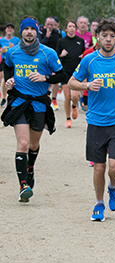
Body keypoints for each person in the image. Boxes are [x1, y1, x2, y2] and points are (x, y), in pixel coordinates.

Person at [68, 18, 115, 221]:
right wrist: (87, 86)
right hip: (96, 122)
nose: (108, 40)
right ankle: (99, 204)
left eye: (112, 36)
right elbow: (72, 82)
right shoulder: (89, 60)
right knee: (99, 167)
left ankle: (113, 187)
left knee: (114, 167)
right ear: (97, 37)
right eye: (104, 36)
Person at [1, 17, 65, 202]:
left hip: (39, 103)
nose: (29, 31)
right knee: (22, 143)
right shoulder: (13, 52)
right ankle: (23, 186)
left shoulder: (48, 53)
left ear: (37, 31)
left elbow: (62, 74)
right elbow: (7, 66)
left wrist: (45, 77)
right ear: (22, 31)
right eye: (26, 29)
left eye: (32, 29)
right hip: (19, 102)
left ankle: (30, 168)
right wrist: (9, 79)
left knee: (33, 145)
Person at [56, 21, 85, 128]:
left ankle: (74, 106)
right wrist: (61, 55)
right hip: (65, 72)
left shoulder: (80, 41)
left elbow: (83, 54)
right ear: (66, 29)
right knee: (67, 96)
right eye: (70, 26)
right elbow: (56, 57)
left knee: (75, 95)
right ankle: (68, 119)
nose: (72, 28)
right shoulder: (61, 41)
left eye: (74, 26)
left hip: (77, 72)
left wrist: (82, 56)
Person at [39, 16, 63, 111]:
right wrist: (47, 36)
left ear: (55, 25)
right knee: (44, 79)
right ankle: (45, 96)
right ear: (45, 23)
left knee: (55, 79)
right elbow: (40, 45)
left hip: (54, 60)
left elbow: (60, 45)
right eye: (48, 24)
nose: (50, 26)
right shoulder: (41, 32)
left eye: (52, 25)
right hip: (42, 60)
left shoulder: (57, 33)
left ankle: (54, 99)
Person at [0, 23, 20, 106]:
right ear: (5, 30)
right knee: (3, 79)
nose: (9, 30)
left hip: (14, 61)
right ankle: (4, 97)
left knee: (10, 79)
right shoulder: (1, 40)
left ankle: (9, 97)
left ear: (13, 30)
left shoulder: (16, 40)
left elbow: (20, 50)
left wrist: (13, 49)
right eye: (8, 28)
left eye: (11, 28)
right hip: (4, 61)